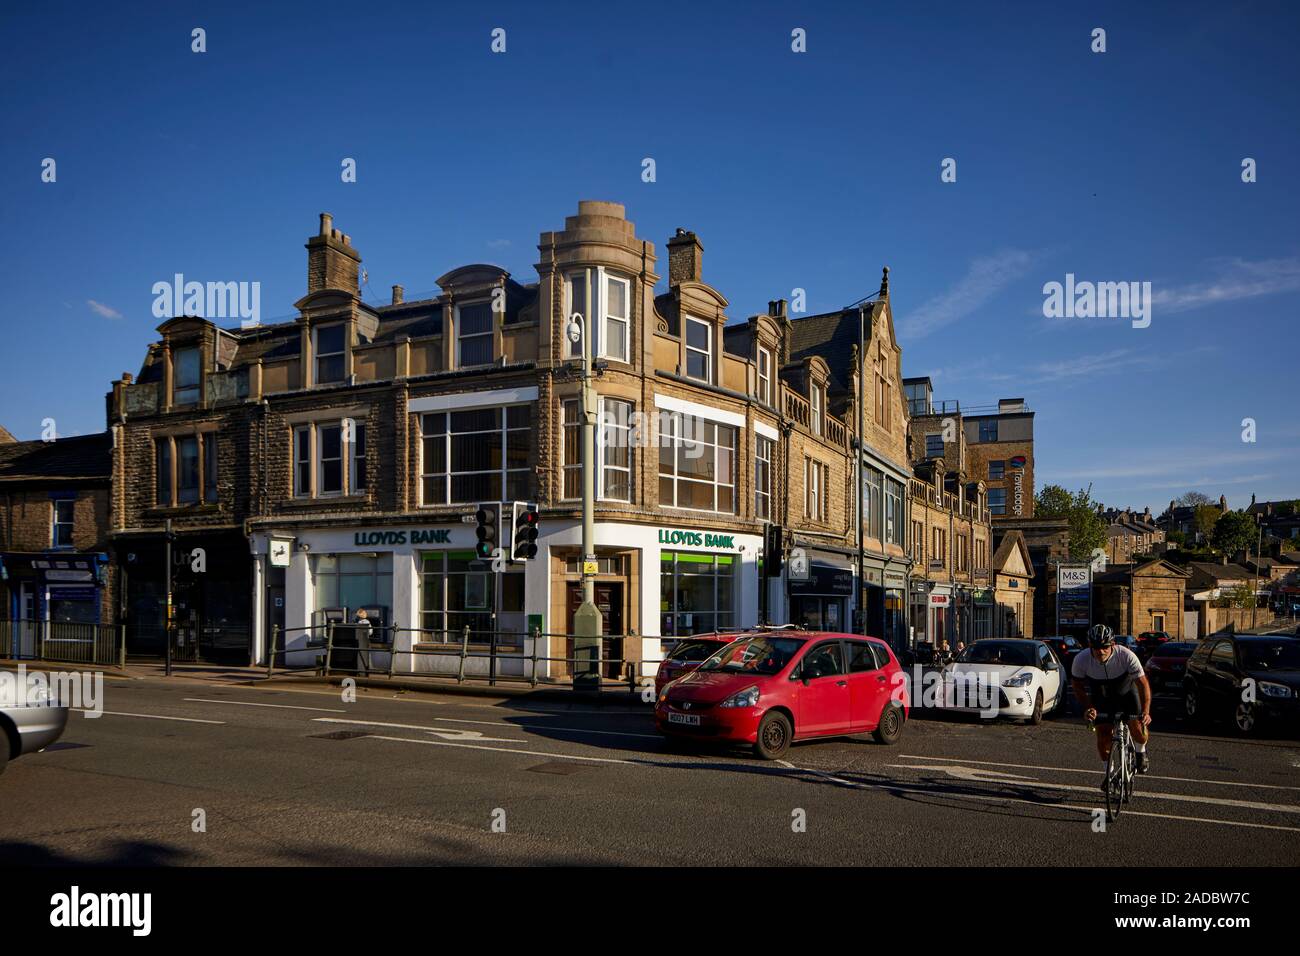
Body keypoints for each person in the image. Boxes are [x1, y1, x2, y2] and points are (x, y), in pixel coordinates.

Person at [1070, 624, 1152, 785]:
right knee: (1103, 735)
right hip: (1102, 696)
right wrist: (1088, 707)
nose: (1100, 651)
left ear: (1113, 645)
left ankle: (1140, 752)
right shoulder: (1081, 659)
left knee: (1138, 729)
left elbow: (1143, 684)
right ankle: (1110, 773)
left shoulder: (1126, 655)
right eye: (1096, 647)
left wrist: (1146, 711)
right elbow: (1077, 686)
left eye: (1105, 647)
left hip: (1127, 693)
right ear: (1090, 646)